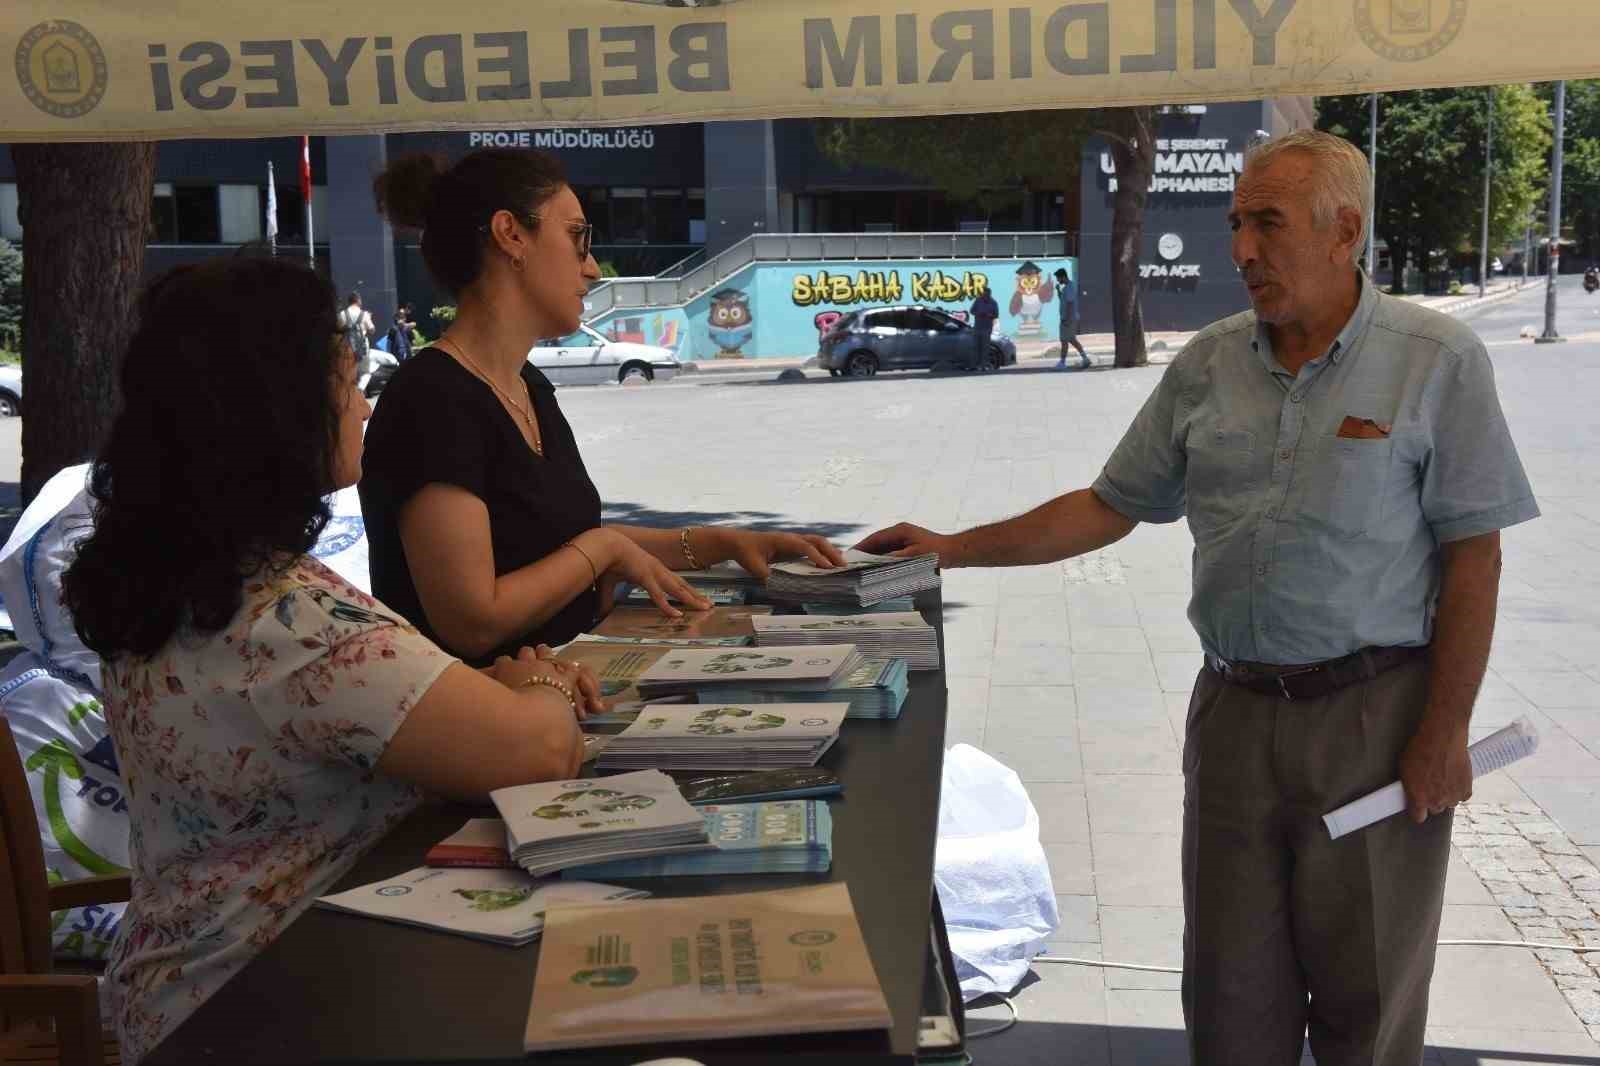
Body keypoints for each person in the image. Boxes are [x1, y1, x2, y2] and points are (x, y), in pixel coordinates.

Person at [858, 130, 1538, 1065]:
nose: (1243, 251)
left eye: (1268, 224)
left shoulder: (1436, 359)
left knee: (1368, 1001)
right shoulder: (1210, 363)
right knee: (1228, 998)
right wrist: (951, 550)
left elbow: (1475, 554)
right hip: (1234, 721)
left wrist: (1445, 730)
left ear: (1345, 232)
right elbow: (1109, 506)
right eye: (1234, 225)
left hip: (1376, 725)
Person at [60, 257, 600, 1066]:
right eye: (347, 382)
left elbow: (366, 709)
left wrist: (480, 693)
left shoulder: (181, 579)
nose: (362, 405)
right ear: (280, 412)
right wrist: (545, 680)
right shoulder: (284, 616)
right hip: (269, 1007)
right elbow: (542, 751)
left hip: (187, 994)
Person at [359, 149, 845, 665]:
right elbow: (475, 620)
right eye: (577, 237)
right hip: (490, 731)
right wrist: (601, 551)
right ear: (511, 235)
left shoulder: (527, 385)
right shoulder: (429, 399)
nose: (590, 267)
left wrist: (722, 543)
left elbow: (568, 545)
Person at [1052, 267, 1090, 370]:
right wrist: (1059, 292)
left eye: (1058, 278)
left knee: (1064, 340)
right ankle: (1085, 358)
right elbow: (1065, 300)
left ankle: (1062, 363)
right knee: (1072, 339)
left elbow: (1069, 303)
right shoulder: (1067, 288)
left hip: (1068, 318)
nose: (1058, 280)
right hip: (1070, 318)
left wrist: (1067, 319)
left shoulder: (1069, 287)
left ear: (1063, 277)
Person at [339, 292, 374, 380]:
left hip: (347, 349)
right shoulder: (364, 314)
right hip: (362, 348)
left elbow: (338, 331)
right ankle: (360, 389)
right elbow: (372, 330)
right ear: (358, 300)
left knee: (349, 374)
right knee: (365, 373)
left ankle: (353, 391)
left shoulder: (342, 314)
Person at [968, 285, 999, 371]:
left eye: (986, 294)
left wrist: (989, 315)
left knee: (985, 348)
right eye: (983, 293)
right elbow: (971, 311)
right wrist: (978, 313)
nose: (984, 295)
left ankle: (984, 366)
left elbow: (996, 315)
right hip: (977, 327)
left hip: (987, 328)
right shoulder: (978, 301)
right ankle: (974, 366)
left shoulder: (993, 303)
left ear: (989, 294)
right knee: (975, 347)